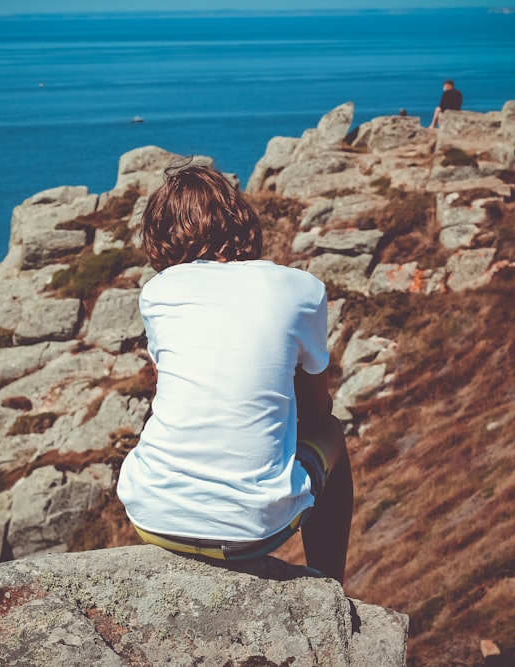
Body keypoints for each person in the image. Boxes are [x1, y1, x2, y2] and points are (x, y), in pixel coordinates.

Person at [116, 162, 353, 583]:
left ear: (160, 237)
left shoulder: (157, 292)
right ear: (239, 220)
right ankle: (330, 584)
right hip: (253, 530)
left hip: (151, 515)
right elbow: (317, 410)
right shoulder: (301, 288)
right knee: (332, 432)